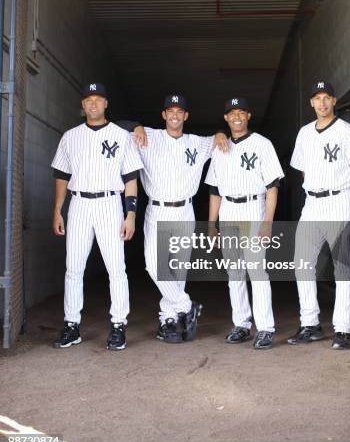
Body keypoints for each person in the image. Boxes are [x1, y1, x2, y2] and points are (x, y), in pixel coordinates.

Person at [121, 94, 228, 344]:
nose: (175, 115)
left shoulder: (197, 142)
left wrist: (221, 133)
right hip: (157, 210)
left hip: (185, 211)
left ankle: (167, 321)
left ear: (186, 116)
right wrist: (135, 125)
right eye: (171, 111)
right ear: (164, 115)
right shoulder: (148, 136)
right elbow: (113, 125)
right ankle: (187, 306)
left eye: (180, 111)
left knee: (177, 271)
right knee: (154, 265)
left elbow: (219, 139)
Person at [51, 83, 143, 351]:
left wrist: (131, 215)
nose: (93, 104)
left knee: (116, 268)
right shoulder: (70, 136)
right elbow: (61, 176)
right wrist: (58, 209)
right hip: (79, 204)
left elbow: (131, 179)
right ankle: (71, 325)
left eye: (98, 99)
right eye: (88, 100)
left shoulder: (121, 135)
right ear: (82, 105)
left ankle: (118, 325)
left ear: (106, 104)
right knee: (74, 268)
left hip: (109, 204)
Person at [288, 81, 350, 350]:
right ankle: (310, 324)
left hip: (340, 201)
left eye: (327, 97)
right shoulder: (304, 134)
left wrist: (344, 198)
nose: (322, 103)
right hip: (312, 203)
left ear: (334, 101)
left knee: (343, 267)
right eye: (317, 98)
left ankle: (343, 330)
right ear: (311, 103)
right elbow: (303, 170)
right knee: (302, 264)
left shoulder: (348, 132)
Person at [205, 97, 284, 350]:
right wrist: (211, 225)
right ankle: (241, 324)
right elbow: (215, 191)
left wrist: (267, 222)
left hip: (253, 207)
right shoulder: (219, 147)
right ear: (226, 118)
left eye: (241, 112)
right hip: (228, 209)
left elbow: (272, 186)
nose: (236, 117)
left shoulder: (262, 144)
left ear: (248, 116)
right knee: (234, 273)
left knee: (257, 272)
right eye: (232, 113)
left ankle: (265, 328)